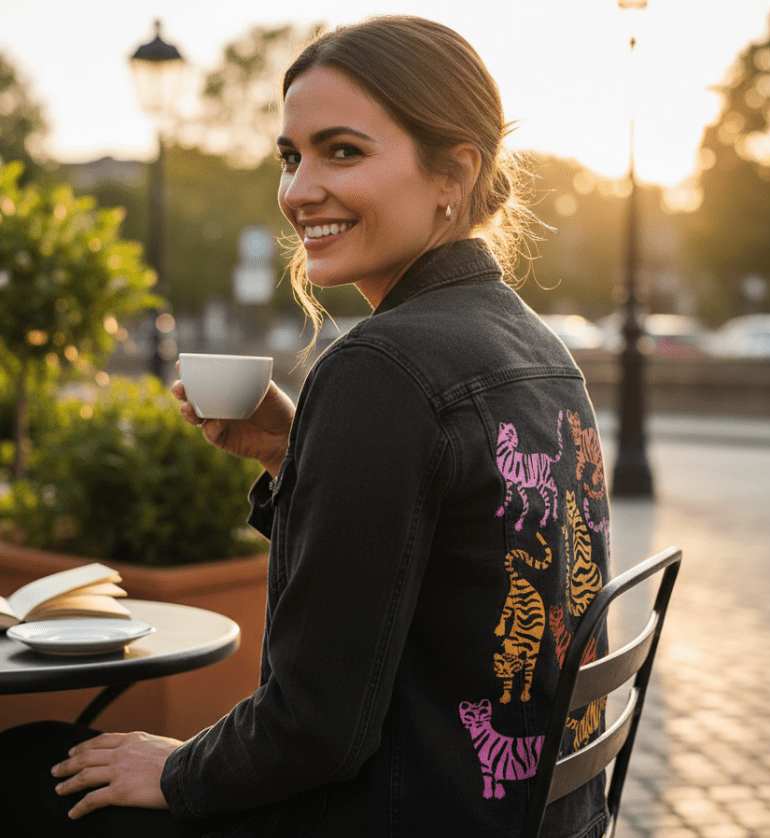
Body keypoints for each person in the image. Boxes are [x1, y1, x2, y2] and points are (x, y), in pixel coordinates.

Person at [0, 15, 611, 838]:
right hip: (527, 815)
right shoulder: (541, 350)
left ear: (454, 173)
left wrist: (178, 771)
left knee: (24, 768)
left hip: (395, 814)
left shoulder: (382, 367)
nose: (297, 191)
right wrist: (300, 454)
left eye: (343, 151)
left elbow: (317, 729)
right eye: (292, 156)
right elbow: (453, 565)